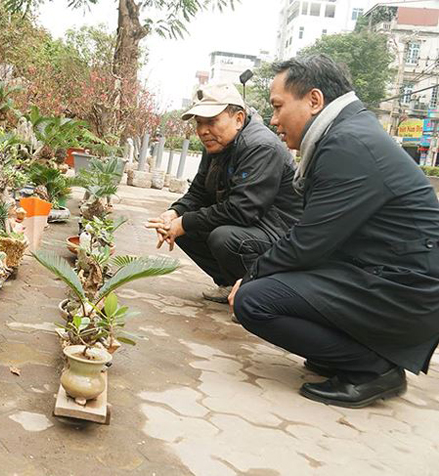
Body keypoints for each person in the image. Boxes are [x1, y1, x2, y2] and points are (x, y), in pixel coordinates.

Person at [230, 55, 439, 408]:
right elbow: (312, 234)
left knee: (254, 300)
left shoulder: (348, 143)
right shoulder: (347, 133)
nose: (274, 119)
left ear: (314, 100)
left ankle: (372, 369)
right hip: (387, 274)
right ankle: (346, 352)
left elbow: (308, 243)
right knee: (267, 277)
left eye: (279, 106)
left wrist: (249, 278)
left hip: (406, 289)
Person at [146, 82, 302, 303]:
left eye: (211, 121)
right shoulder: (216, 145)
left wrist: (184, 222)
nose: (202, 131)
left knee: (223, 238)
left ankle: (260, 296)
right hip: (252, 225)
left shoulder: (260, 146)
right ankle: (230, 285)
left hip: (280, 233)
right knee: (181, 228)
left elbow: (243, 210)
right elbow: (199, 191)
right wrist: (174, 213)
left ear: (238, 118)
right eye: (199, 123)